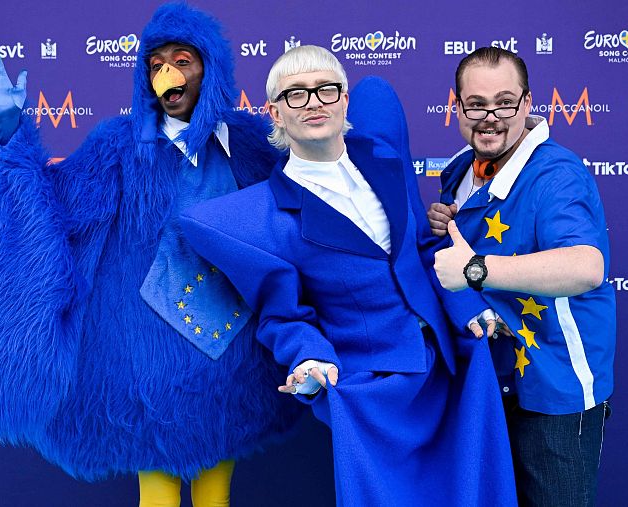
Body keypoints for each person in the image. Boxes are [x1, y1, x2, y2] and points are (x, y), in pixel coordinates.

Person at [0, 4, 300, 506]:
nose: (168, 73)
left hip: (230, 354)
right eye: (156, 63)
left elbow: (301, 209)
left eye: (183, 59)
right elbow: (56, 210)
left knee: (217, 492)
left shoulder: (252, 144)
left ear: (210, 68)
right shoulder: (118, 147)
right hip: (146, 362)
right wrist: (9, 128)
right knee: (158, 494)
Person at [180, 45, 515, 506]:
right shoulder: (267, 217)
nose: (314, 102)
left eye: (326, 90)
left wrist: (467, 306)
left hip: (449, 361)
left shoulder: (383, 157)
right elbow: (284, 316)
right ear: (274, 113)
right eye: (296, 95)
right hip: (376, 388)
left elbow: (423, 248)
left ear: (343, 101)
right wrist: (308, 359)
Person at [429, 46, 615, 506]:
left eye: (505, 102)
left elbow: (586, 267)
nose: (490, 116)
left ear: (528, 104)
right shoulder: (461, 169)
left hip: (555, 388)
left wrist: (475, 269)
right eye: (475, 104)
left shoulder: (557, 173)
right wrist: (450, 219)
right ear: (456, 106)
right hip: (489, 381)